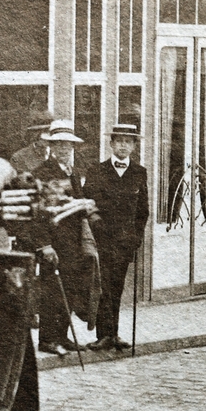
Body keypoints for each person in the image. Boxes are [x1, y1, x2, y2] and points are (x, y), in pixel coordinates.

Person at [17, 120, 100, 358]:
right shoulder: (42, 174)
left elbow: (78, 202)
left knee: (70, 288)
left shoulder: (71, 172)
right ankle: (47, 339)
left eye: (68, 145)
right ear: (51, 147)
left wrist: (88, 207)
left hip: (72, 241)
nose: (64, 149)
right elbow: (37, 215)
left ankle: (62, 335)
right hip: (52, 241)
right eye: (59, 145)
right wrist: (44, 245)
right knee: (52, 291)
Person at [83, 123, 149, 351]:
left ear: (133, 146)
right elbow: (88, 204)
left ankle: (115, 334)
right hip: (101, 240)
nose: (123, 145)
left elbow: (143, 211)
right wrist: (97, 229)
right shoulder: (96, 171)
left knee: (117, 287)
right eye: (119, 141)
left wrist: (136, 238)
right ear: (111, 144)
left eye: (128, 142)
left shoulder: (140, 173)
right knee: (104, 288)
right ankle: (104, 335)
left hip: (124, 242)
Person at [10, 104, 53, 177]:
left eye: (49, 131)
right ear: (33, 134)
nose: (47, 136)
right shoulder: (19, 157)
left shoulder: (61, 155)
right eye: (39, 131)